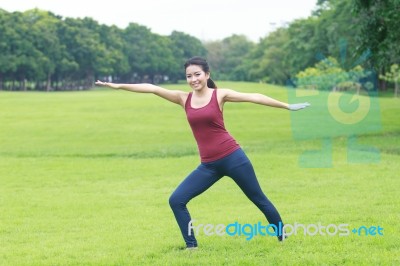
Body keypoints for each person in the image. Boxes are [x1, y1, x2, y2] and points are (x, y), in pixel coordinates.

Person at [95, 56, 310, 250]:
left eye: (197, 74)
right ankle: (192, 246)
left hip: (234, 158)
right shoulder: (183, 98)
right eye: (189, 76)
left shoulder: (220, 95)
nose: (193, 79)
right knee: (176, 199)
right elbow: (151, 87)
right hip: (209, 166)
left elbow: (254, 96)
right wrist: (118, 86)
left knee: (258, 199)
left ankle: (283, 237)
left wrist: (287, 106)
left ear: (207, 75)